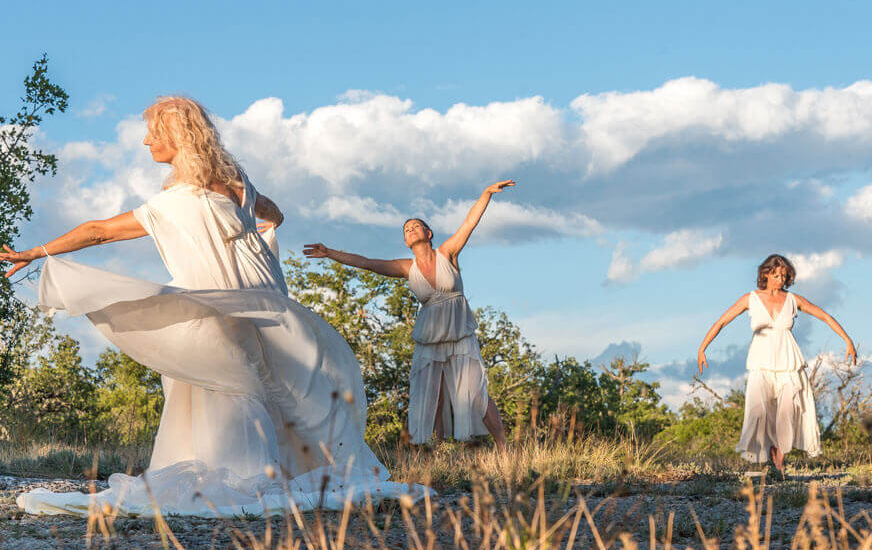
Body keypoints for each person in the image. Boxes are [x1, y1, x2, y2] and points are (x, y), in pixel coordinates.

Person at [1, 96, 420, 517]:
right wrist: (264, 233)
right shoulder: (239, 183)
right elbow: (274, 213)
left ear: (176, 137)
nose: (146, 141)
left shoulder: (176, 202)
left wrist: (35, 251)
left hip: (219, 303)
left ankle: (240, 474)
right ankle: (286, 472)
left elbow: (98, 232)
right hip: (261, 299)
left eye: (153, 133)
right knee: (274, 382)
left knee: (220, 380)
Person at [303, 181, 513, 451]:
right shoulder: (405, 267)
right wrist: (330, 253)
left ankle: (505, 448)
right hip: (430, 339)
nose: (411, 229)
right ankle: (436, 459)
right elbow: (366, 262)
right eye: (406, 229)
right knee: (433, 399)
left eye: (415, 226)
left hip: (460, 335)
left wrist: (486, 194)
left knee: (475, 393)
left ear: (428, 232)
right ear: (405, 240)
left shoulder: (447, 253)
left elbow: (469, 224)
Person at [697, 254, 856, 475]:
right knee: (761, 410)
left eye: (784, 275)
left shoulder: (793, 300)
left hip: (788, 361)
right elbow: (722, 321)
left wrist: (847, 340)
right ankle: (771, 449)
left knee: (788, 409)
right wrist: (702, 348)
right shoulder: (750, 298)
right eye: (776, 274)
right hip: (761, 361)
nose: (781, 279)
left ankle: (780, 457)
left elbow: (825, 316)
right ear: (765, 274)